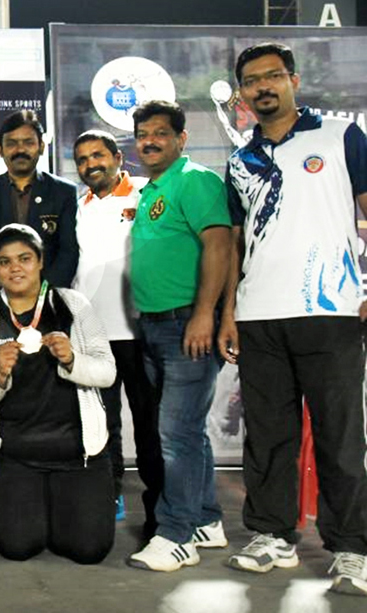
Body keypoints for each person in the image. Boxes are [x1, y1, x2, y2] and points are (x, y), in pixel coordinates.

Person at [219, 42, 367, 596]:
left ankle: (352, 549)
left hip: (330, 312)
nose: (263, 87)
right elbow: (235, 244)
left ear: (293, 80)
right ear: (242, 95)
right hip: (260, 316)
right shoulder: (240, 161)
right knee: (269, 437)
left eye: (272, 76)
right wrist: (231, 311)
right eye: (252, 81)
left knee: (340, 437)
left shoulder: (339, 136)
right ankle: (272, 536)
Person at [0, 224, 117, 565]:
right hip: (17, 455)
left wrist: (73, 359)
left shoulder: (73, 305)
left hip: (78, 454)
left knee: (87, 550)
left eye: (24, 259)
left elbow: (107, 372)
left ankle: (62, 506)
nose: (15, 268)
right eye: (4, 262)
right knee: (19, 547)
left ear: (41, 262)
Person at [125, 100, 232, 572]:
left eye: (160, 133)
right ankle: (206, 519)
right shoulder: (152, 191)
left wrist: (205, 314)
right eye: (143, 134)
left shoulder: (196, 180)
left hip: (186, 322)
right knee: (188, 431)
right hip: (153, 325)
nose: (149, 141)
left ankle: (177, 534)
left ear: (181, 138)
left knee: (176, 435)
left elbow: (220, 245)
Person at [72, 129, 162, 537]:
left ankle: (161, 509)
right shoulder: (79, 206)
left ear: (117, 157)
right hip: (94, 335)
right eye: (83, 159)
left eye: (98, 155)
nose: (91, 164)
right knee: (102, 424)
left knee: (149, 424)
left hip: (140, 329)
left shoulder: (145, 195)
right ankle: (107, 500)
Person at [0, 110, 79, 289]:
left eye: (28, 142)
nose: (20, 150)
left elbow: (68, 252)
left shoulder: (63, 191)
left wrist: (43, 295)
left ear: (42, 146)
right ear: (0, 150)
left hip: (49, 300)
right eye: (11, 143)